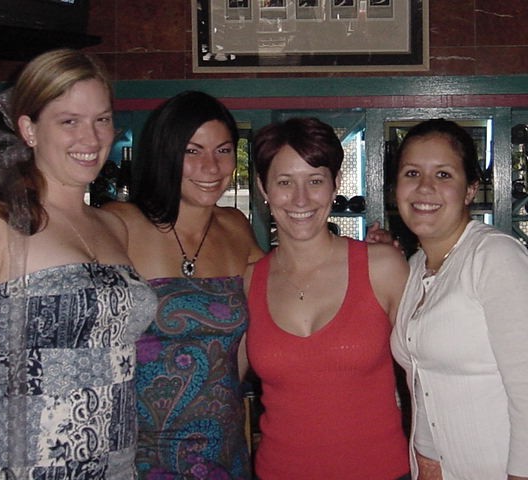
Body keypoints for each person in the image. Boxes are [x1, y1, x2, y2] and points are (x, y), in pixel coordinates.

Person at [0, 48, 157, 480]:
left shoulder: (113, 226)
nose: (91, 138)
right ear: (29, 129)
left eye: (102, 119)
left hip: (118, 466)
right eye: (69, 121)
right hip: (26, 466)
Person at [103, 90, 263, 479]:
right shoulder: (119, 224)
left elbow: (289, 281)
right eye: (192, 151)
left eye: (223, 150)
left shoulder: (235, 227)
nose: (211, 166)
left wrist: (366, 252)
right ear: (165, 153)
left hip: (223, 450)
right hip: (137, 454)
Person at [245, 117, 411, 479]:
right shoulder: (249, 282)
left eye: (315, 181)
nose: (300, 199)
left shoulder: (382, 267)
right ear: (263, 187)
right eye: (284, 182)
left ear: (335, 184)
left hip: (382, 470)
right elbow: (219, 384)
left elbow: (427, 378)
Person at [390, 119, 528, 480]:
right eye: (412, 173)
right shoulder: (415, 266)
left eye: (443, 175)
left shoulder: (494, 257)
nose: (425, 187)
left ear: (470, 190)